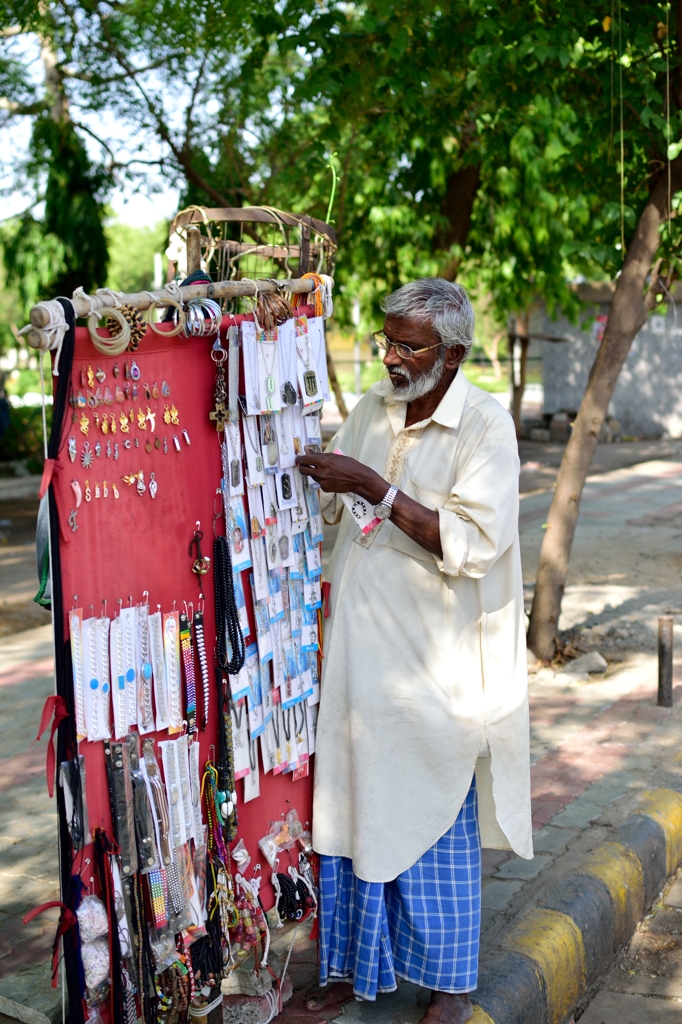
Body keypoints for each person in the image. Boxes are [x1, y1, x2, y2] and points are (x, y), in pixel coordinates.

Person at [296, 278, 532, 1024]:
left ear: (452, 352)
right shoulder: (372, 407)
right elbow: (335, 500)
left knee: (432, 821)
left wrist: (375, 486)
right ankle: (348, 972)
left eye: (409, 345)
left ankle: (451, 989)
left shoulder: (485, 426)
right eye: (387, 341)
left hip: (435, 672)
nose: (392, 357)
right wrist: (318, 472)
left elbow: (473, 543)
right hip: (358, 667)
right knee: (349, 810)